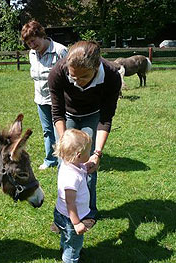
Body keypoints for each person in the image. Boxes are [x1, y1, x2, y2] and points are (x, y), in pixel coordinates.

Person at [48, 40, 121, 219]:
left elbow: (106, 118)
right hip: (68, 114)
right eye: (73, 77)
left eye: (83, 77)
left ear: (96, 67)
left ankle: (88, 213)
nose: (77, 82)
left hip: (93, 115)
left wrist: (97, 153)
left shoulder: (111, 76)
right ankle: (63, 214)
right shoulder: (58, 72)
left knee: (87, 164)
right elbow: (57, 113)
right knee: (65, 163)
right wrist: (65, 141)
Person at [21, 20, 68, 170]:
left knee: (60, 131)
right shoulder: (32, 54)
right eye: (29, 43)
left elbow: (69, 77)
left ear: (41, 35)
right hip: (40, 99)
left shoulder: (60, 51)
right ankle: (50, 160)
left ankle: (64, 160)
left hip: (58, 99)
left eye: (33, 41)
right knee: (47, 131)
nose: (32, 46)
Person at [53, 129, 95, 263]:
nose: (90, 153)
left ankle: (64, 247)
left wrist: (86, 165)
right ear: (78, 154)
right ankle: (70, 258)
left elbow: (79, 168)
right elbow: (70, 203)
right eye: (88, 151)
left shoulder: (69, 165)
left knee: (66, 236)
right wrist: (76, 223)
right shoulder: (71, 178)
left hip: (62, 214)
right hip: (71, 219)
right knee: (73, 244)